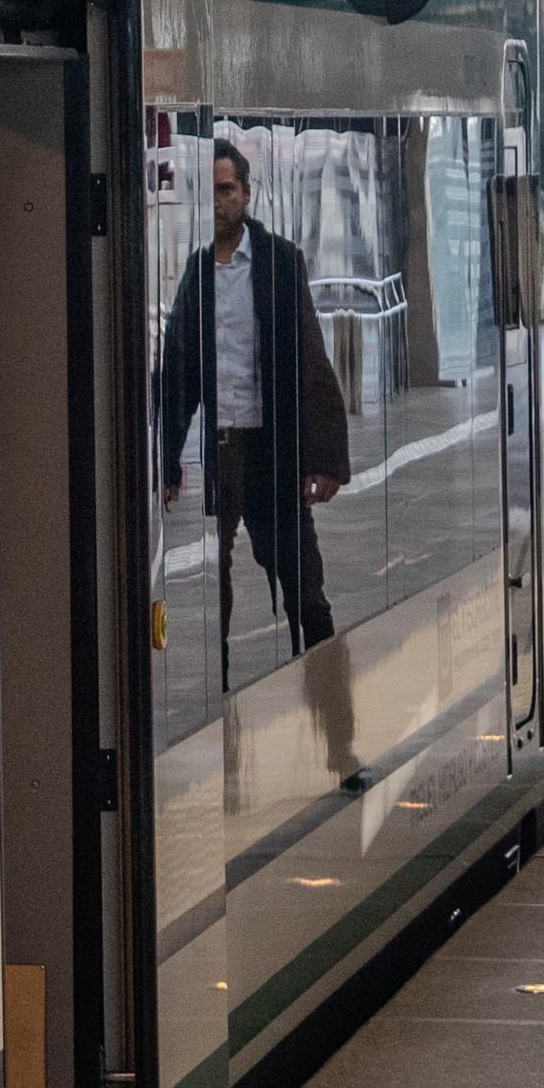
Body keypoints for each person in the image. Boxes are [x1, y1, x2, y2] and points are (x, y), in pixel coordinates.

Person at [154, 139, 361, 783]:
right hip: (220, 453)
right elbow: (179, 372)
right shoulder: (196, 273)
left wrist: (326, 458)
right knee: (213, 603)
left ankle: (338, 743)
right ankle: (225, 750)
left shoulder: (277, 263)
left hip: (271, 452)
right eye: (211, 191)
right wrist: (165, 459)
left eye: (228, 190)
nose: (219, 202)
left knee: (306, 591)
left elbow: (309, 357)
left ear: (246, 195)